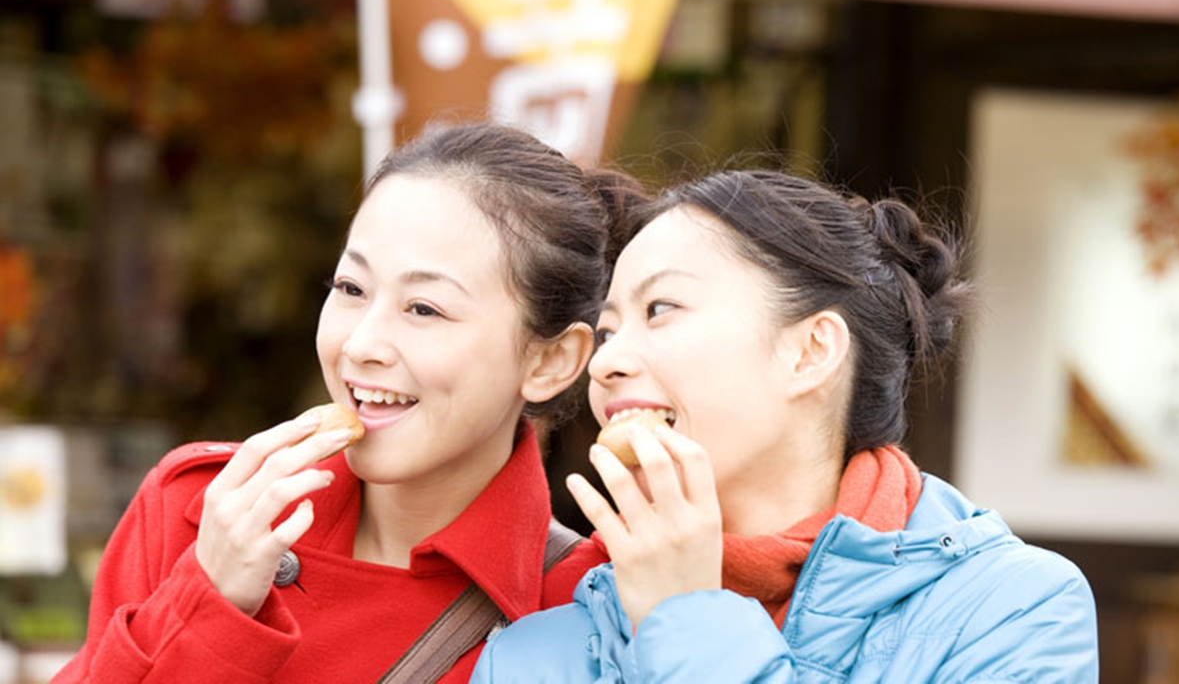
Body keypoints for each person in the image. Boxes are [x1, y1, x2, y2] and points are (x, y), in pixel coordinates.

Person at [54, 121, 649, 683]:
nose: (361, 344)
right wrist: (210, 598)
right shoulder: (198, 510)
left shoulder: (589, 608)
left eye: (424, 308)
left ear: (550, 361)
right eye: (350, 288)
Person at [471, 169, 1100, 683]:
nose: (606, 361)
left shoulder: (1013, 610)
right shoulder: (534, 652)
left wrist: (684, 617)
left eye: (660, 309)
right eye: (607, 331)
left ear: (811, 352)